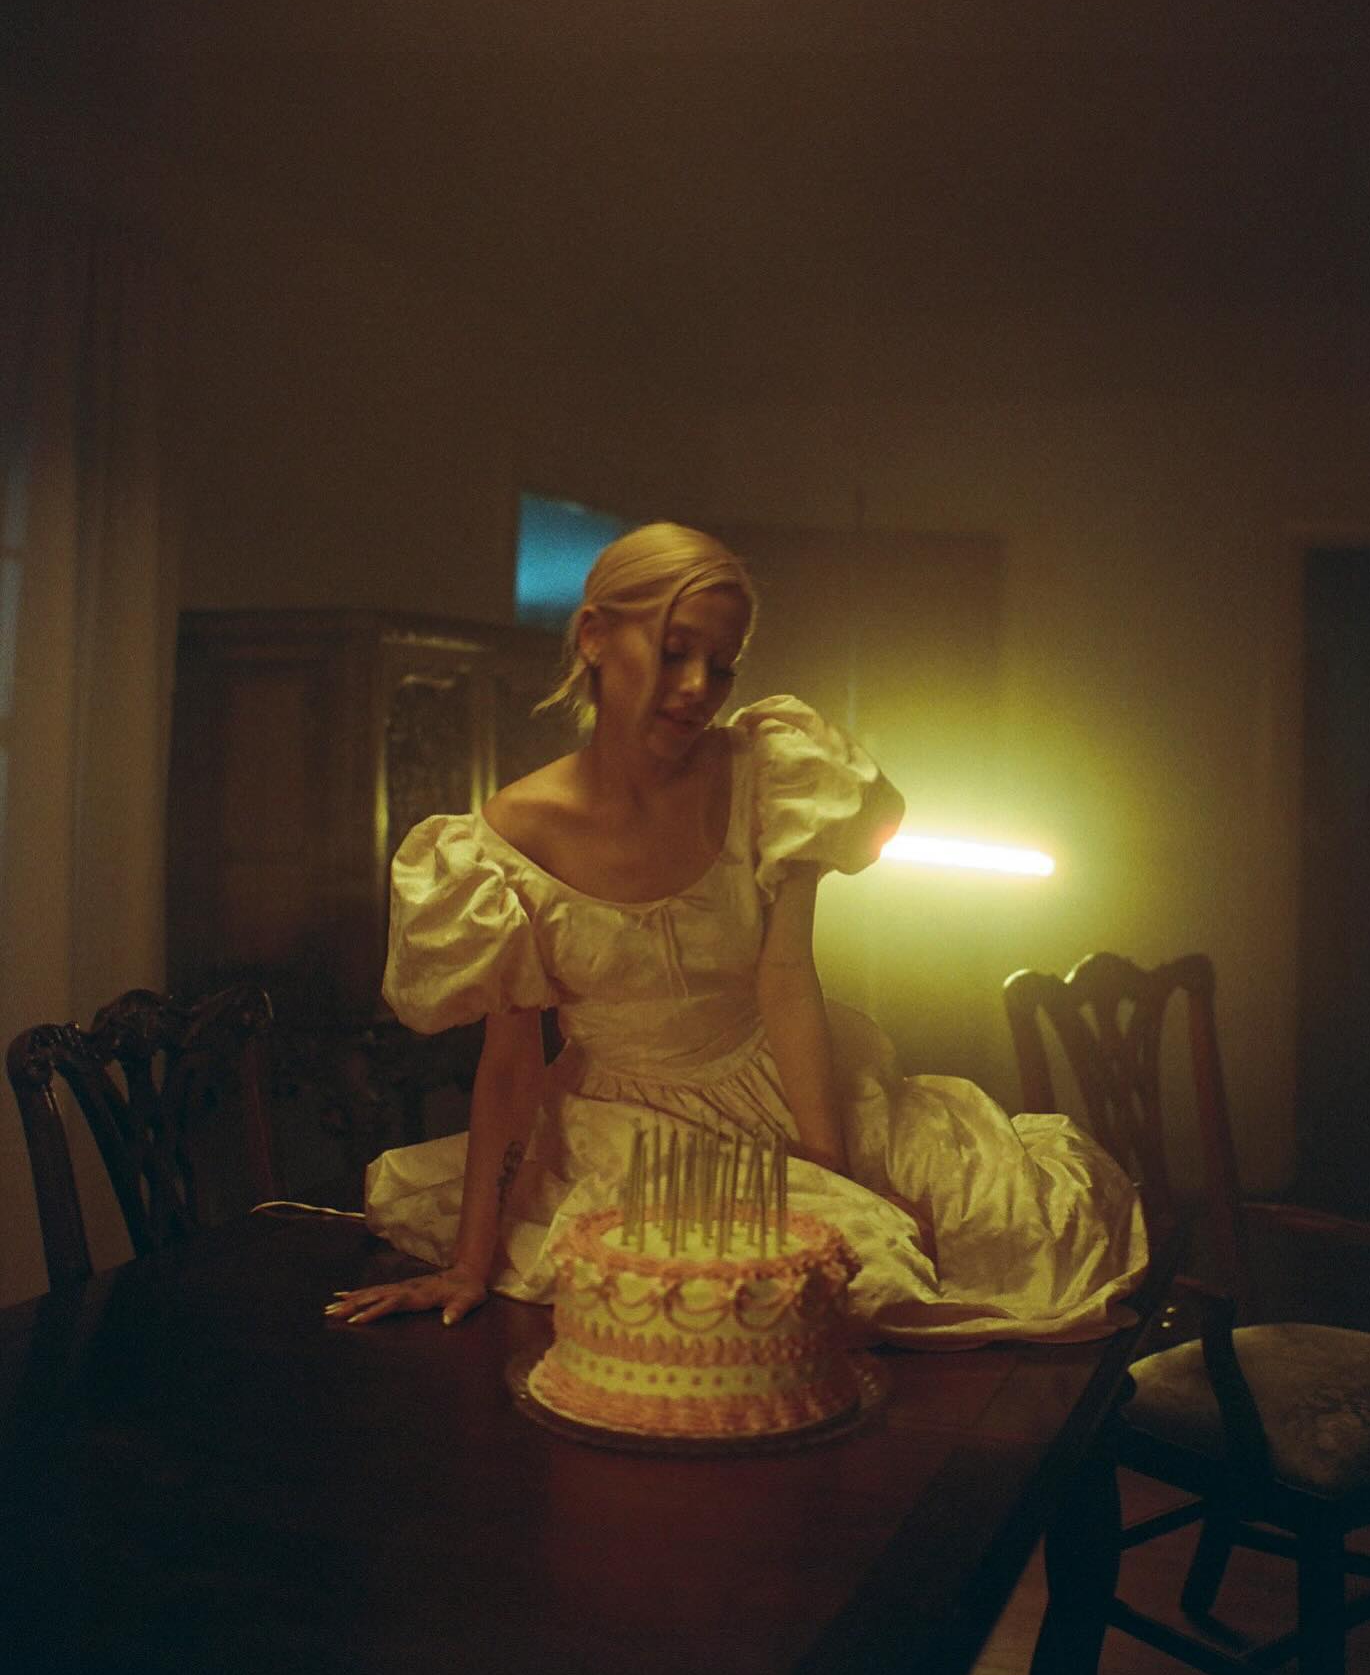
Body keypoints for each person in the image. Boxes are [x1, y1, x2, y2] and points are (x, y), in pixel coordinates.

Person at [326, 523, 1147, 1342]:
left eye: (721, 665)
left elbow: (786, 978)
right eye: (674, 651)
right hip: (631, 1129)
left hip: (794, 1083)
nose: (697, 688)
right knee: (817, 1288)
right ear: (595, 637)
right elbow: (510, 1069)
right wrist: (469, 1263)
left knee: (1018, 1219)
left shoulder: (770, 772)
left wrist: (833, 1167)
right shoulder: (509, 840)